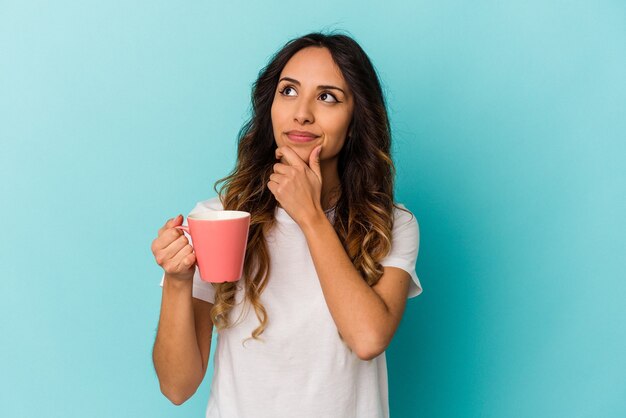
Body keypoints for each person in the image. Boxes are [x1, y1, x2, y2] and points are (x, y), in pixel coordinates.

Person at [151, 31, 422, 418]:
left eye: (327, 96)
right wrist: (177, 282)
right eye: (289, 91)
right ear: (270, 107)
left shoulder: (392, 224)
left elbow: (367, 339)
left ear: (356, 118)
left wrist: (309, 216)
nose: (302, 112)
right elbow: (177, 387)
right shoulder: (220, 218)